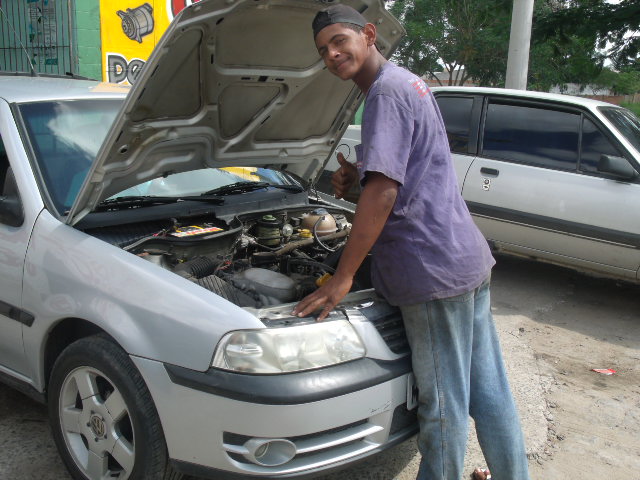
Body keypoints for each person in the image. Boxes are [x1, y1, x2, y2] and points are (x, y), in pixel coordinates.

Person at [292, 4, 531, 480]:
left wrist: (342, 278)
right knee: (489, 392)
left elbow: (385, 191)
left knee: (442, 407)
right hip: (463, 260)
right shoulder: (406, 82)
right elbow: (407, 171)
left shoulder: (385, 94)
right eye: (323, 50)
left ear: (369, 34)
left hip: (431, 273)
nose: (333, 54)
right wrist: (358, 176)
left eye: (340, 41)